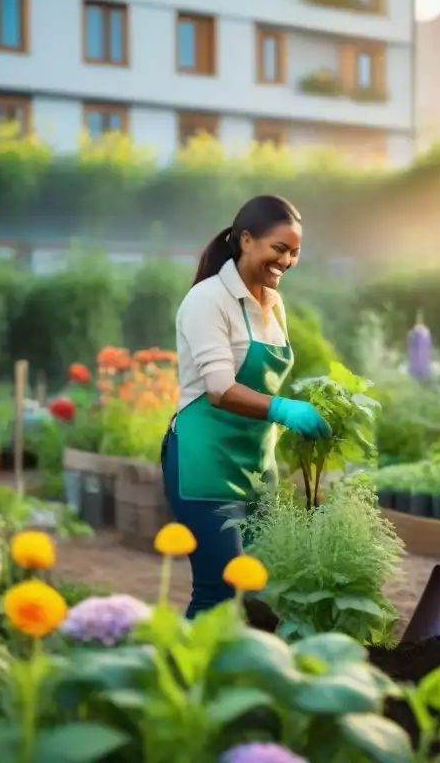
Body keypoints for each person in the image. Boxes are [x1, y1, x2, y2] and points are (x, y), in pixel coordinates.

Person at [162, 195, 332, 618]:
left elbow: (267, 382)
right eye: (279, 248)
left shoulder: (274, 306)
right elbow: (220, 388)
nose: (287, 261)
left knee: (264, 593)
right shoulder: (208, 299)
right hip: (205, 462)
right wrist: (285, 410)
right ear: (246, 240)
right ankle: (182, 681)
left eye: (295, 252)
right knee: (219, 593)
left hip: (257, 467)